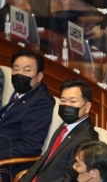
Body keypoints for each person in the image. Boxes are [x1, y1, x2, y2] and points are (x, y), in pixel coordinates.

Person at [19, 79, 99, 182]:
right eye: (63, 100)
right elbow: (44, 159)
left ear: (87, 107)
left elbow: (70, 178)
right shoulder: (66, 125)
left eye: (73, 101)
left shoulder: (87, 139)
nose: (66, 105)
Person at [0, 49, 54, 181]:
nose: (20, 74)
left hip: (10, 165)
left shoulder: (41, 102)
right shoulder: (22, 92)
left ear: (39, 76)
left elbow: (31, 146)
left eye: (27, 70)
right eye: (16, 69)